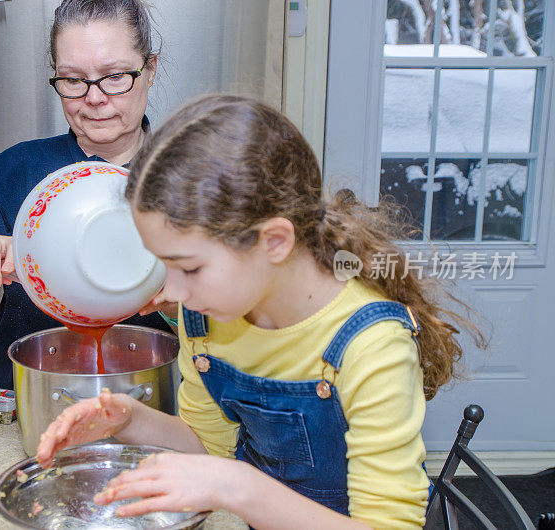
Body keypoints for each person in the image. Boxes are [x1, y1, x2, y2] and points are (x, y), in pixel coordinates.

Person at [35, 94, 486, 529]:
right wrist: (131, 420)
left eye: (189, 267)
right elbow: (207, 448)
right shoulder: (207, 319)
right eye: (162, 264)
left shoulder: (372, 346)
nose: (169, 291)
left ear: (273, 242)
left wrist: (238, 487)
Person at [0, 0, 175, 389]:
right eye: (73, 80)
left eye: (115, 76)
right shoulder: (17, 173)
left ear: (149, 69)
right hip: (30, 404)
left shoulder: (192, 175)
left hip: (160, 402)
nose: (95, 97)